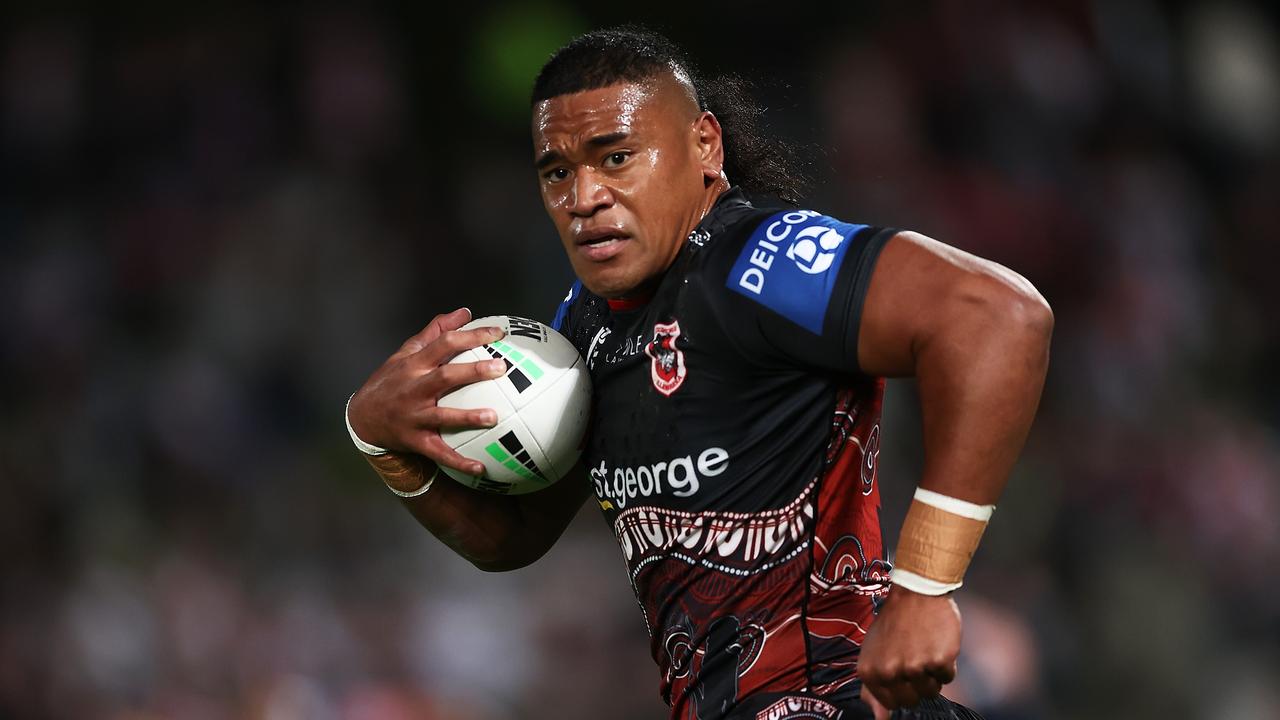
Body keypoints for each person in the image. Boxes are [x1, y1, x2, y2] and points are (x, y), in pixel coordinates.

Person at [345, 26, 1052, 720]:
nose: (583, 196)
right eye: (557, 171)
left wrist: (925, 588)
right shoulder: (587, 323)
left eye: (616, 157)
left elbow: (999, 316)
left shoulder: (759, 262)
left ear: (705, 147)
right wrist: (381, 442)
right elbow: (515, 536)